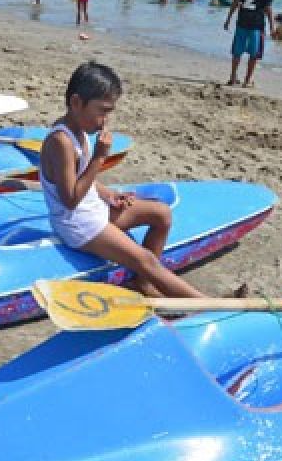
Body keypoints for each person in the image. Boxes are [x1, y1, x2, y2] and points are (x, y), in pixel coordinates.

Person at [39, 62, 207, 298]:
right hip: (77, 224)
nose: (105, 121)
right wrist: (99, 157)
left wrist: (109, 194)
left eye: (109, 112)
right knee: (145, 259)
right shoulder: (61, 142)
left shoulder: (79, 130)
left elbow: (80, 177)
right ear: (76, 103)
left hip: (93, 209)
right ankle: (210, 306)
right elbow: (69, 200)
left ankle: (143, 284)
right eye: (102, 111)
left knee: (161, 214)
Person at [224, 0, 275, 87]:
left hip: (242, 20)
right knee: (254, 54)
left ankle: (233, 76)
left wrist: (228, 19)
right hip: (256, 24)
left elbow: (236, 0)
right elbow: (268, 7)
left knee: (237, 51)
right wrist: (272, 26)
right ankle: (247, 80)